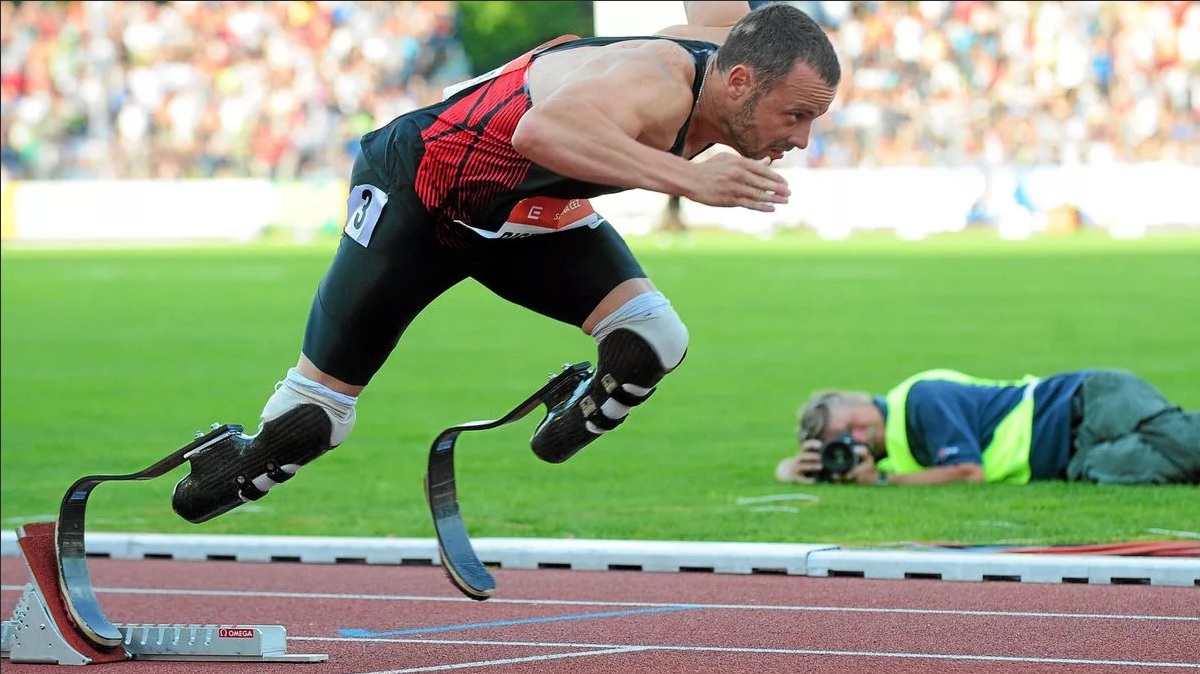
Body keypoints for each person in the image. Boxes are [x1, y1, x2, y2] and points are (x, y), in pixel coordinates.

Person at [170, 1, 842, 523]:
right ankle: (223, 473)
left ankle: (562, 426)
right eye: (797, 115)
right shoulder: (654, 84)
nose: (801, 138)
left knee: (653, 340)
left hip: (524, 219)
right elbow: (542, 131)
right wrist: (688, 180)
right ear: (742, 82)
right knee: (314, 418)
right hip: (422, 194)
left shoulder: (732, 41)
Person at [775, 368, 1200, 486]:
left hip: (1086, 403)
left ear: (861, 397)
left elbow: (968, 472)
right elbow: (790, 470)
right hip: (1079, 461)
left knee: (1188, 444)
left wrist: (883, 482)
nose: (859, 436)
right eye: (844, 441)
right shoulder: (896, 451)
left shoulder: (921, 399)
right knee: (1185, 468)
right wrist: (794, 470)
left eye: (853, 422)